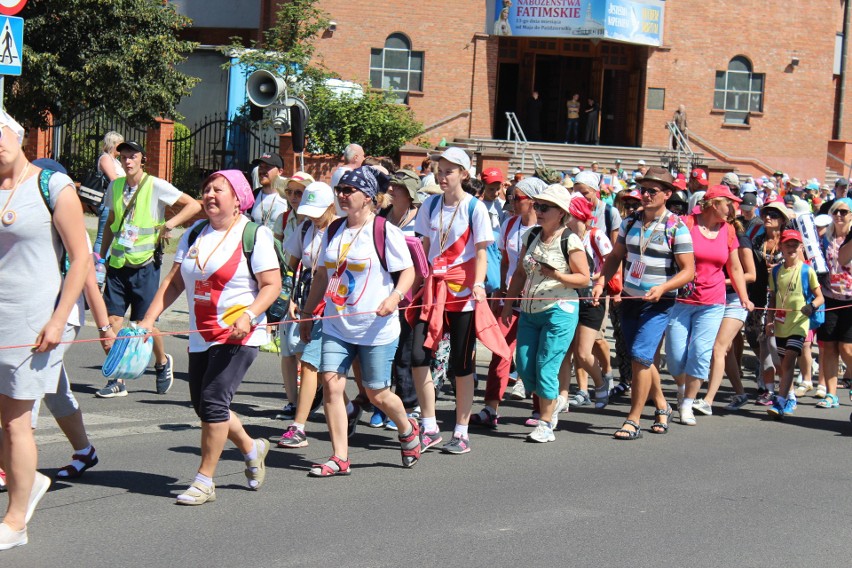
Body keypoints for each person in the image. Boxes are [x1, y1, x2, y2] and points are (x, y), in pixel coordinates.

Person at [139, 170, 279, 504]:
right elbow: (175, 283)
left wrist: (249, 315)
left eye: (219, 189)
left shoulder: (253, 235)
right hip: (201, 333)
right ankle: (251, 446)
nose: (210, 194)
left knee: (215, 401)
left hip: (238, 333)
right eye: (206, 189)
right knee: (205, 406)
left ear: (238, 198)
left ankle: (204, 481)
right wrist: (148, 319)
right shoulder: (195, 233)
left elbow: (271, 285)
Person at [0, 111, 91, 549]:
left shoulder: (52, 186)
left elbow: (82, 257)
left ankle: (16, 522)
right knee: (3, 419)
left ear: (17, 134)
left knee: (17, 421)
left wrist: (58, 318)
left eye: (0, 133)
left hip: (34, 321)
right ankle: (29, 482)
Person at [299, 166, 418, 476]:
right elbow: (323, 274)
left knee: (377, 393)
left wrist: (393, 299)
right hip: (337, 323)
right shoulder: (334, 229)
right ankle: (340, 457)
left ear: (367, 198)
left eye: (348, 191)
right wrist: (308, 313)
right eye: (340, 190)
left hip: (376, 327)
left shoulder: (384, 230)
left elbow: (408, 272)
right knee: (331, 385)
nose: (341, 195)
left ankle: (407, 429)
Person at [410, 147, 508, 455]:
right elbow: (424, 247)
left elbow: (481, 252)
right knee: (417, 355)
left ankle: (462, 431)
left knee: (461, 364)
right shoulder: (429, 205)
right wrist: (410, 287)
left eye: (449, 170)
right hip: (432, 290)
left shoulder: (474, 208)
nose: (442, 175)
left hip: (463, 293)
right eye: (439, 169)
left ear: (464, 174)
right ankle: (429, 425)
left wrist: (478, 284)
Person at [594, 167, 695, 439]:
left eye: (653, 191)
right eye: (644, 190)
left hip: (659, 302)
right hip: (630, 298)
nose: (646, 195)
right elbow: (616, 256)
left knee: (640, 354)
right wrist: (601, 281)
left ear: (667, 194)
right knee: (642, 358)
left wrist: (663, 287)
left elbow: (688, 271)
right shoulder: (630, 222)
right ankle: (662, 406)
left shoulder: (677, 226)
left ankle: (633, 419)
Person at [97, 140, 201, 398]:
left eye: (133, 156)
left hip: (145, 264)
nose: (128, 161)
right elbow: (111, 221)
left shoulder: (155, 185)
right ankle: (118, 379)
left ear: (142, 159)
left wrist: (171, 224)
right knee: (112, 322)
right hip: (118, 264)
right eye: (124, 157)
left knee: (145, 323)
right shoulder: (116, 185)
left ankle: (162, 361)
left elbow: (193, 205)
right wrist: (101, 258)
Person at [500, 184, 589, 442]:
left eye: (544, 207)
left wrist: (558, 274)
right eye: (537, 205)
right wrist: (508, 303)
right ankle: (556, 401)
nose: (538, 210)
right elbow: (519, 272)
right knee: (525, 367)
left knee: (546, 367)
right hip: (529, 309)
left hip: (559, 310)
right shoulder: (532, 235)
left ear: (561, 212)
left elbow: (584, 279)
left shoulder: (569, 240)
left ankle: (546, 422)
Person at [664, 185, 753, 426]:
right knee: (674, 356)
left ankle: (687, 404)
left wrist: (743, 297)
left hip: (713, 302)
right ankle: (682, 386)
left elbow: (734, 268)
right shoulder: (685, 224)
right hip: (681, 299)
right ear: (714, 203)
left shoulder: (730, 230)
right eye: (729, 204)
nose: (732, 209)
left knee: (701, 353)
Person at [471, 177, 544, 428]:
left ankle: (538, 409)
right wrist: (499, 294)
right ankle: (490, 407)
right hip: (510, 298)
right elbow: (504, 261)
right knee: (500, 351)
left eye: (517, 198)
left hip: (537, 302)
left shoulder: (546, 228)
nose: (511, 202)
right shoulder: (510, 223)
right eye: (511, 197)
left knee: (531, 356)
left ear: (533, 202)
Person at [276, 182, 338, 448]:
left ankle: (300, 426)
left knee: (313, 363)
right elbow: (293, 268)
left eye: (318, 211)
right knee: (312, 362)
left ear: (331, 207)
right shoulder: (304, 228)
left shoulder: (341, 229)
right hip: (307, 297)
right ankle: (345, 411)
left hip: (333, 302)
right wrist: (292, 299)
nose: (313, 216)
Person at [765, 230, 824, 418]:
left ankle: (780, 401)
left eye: (795, 245)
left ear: (800, 248)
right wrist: (769, 320)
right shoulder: (775, 271)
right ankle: (790, 398)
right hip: (782, 323)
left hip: (799, 324)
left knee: (790, 358)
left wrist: (811, 306)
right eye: (787, 245)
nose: (791, 248)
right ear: (781, 247)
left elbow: (820, 297)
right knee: (784, 365)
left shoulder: (807, 270)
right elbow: (773, 298)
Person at [564, 194, 613, 409]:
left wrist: (595, 279)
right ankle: (564, 397)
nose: (565, 219)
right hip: (567, 298)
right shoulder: (563, 236)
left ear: (578, 215)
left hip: (592, 298)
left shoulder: (596, 235)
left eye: (569, 215)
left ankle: (601, 383)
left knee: (584, 353)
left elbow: (613, 263)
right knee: (567, 352)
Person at [749, 199, 790, 405]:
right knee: (761, 343)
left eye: (773, 215)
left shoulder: (789, 242)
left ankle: (785, 388)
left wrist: (776, 270)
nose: (767, 217)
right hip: (758, 298)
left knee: (776, 347)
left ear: (782, 220)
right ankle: (768, 389)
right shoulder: (756, 240)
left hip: (780, 300)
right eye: (766, 213)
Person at [812, 198, 852, 409]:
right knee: (828, 348)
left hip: (850, 300)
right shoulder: (825, 239)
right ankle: (831, 394)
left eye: (843, 212)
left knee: (847, 348)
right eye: (835, 212)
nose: (838, 215)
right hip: (829, 297)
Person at [93, 131, 125, 255]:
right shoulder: (105, 158)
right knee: (103, 235)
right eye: (120, 144)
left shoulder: (115, 160)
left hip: (116, 199)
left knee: (115, 232)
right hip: (107, 199)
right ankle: (99, 265)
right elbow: (114, 179)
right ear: (113, 144)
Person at [249, 153, 288, 232]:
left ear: (280, 171)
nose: (262, 170)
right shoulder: (254, 195)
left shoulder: (287, 197)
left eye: (267, 167)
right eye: (260, 166)